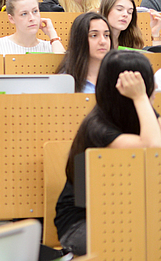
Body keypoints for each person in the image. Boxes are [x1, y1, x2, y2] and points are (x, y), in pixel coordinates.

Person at [55, 49, 161, 255]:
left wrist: (143, 102)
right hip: (82, 223)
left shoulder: (141, 117)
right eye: (149, 83)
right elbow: (154, 149)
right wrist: (141, 98)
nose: (155, 87)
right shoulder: (98, 128)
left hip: (126, 214)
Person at [0, 0, 65, 54]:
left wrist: (53, 36)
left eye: (35, 11)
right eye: (24, 14)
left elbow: (64, 69)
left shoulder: (52, 47)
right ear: (11, 19)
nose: (32, 18)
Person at [55, 12, 112, 93]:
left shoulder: (119, 78)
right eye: (94, 35)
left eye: (106, 35)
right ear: (80, 40)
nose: (103, 41)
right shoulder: (64, 82)